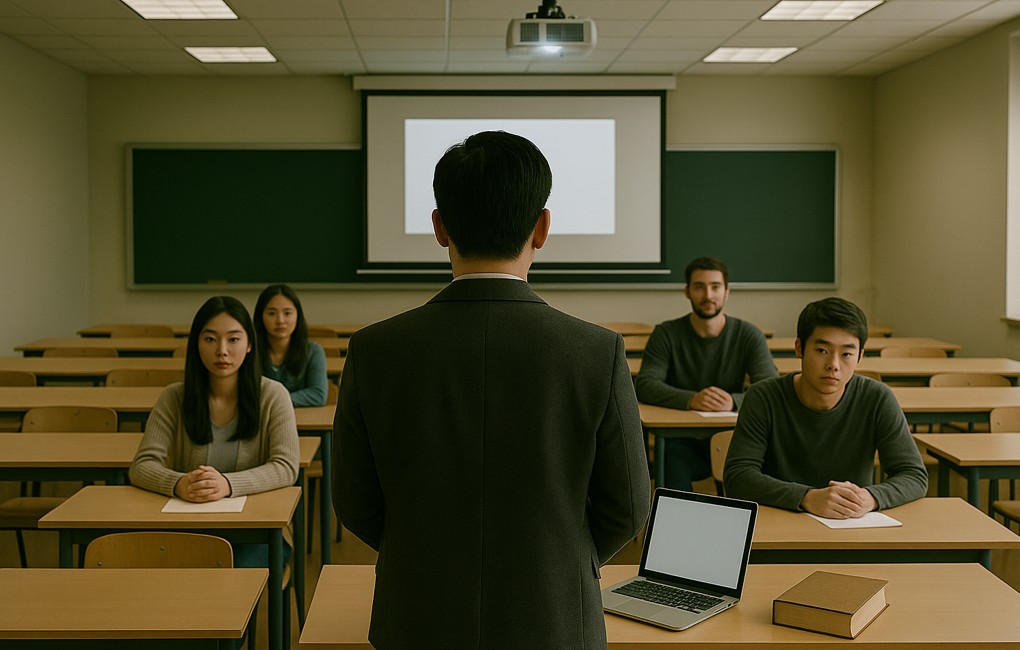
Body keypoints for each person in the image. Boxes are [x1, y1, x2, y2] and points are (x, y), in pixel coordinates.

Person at [333, 131, 650, 649]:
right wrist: (562, 557)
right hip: (555, 617)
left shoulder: (375, 350)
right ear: (543, 227)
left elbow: (354, 500)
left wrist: (419, 550)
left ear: (438, 226)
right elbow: (629, 505)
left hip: (417, 613)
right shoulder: (597, 350)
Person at [724, 297, 927, 518]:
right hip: (780, 522)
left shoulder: (877, 398)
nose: (834, 365)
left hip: (851, 526)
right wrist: (806, 497)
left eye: (847, 354)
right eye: (822, 350)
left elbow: (913, 475)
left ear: (860, 356)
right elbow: (738, 476)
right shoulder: (763, 397)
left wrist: (870, 498)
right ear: (800, 348)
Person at [129, 296, 300, 552]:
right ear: (196, 344)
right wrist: (179, 483)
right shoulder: (174, 396)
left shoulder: (274, 395)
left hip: (256, 529)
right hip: (189, 524)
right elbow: (142, 466)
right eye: (210, 339)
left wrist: (227, 484)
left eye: (233, 339)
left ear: (250, 344)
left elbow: (286, 467)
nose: (222, 350)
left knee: (231, 578)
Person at [634, 256, 776, 491]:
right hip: (681, 442)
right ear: (687, 291)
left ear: (727, 292)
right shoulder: (666, 333)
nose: (708, 295)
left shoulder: (749, 334)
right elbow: (646, 384)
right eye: (699, 287)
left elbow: (770, 386)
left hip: (734, 438)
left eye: (715, 287)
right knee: (670, 462)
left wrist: (733, 401)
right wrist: (691, 399)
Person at [254, 283, 329, 406]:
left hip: (300, 420)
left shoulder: (313, 351)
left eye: (287, 313)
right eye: (272, 313)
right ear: (260, 316)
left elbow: (318, 394)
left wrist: (276, 400)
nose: (280, 320)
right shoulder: (249, 350)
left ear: (297, 316)